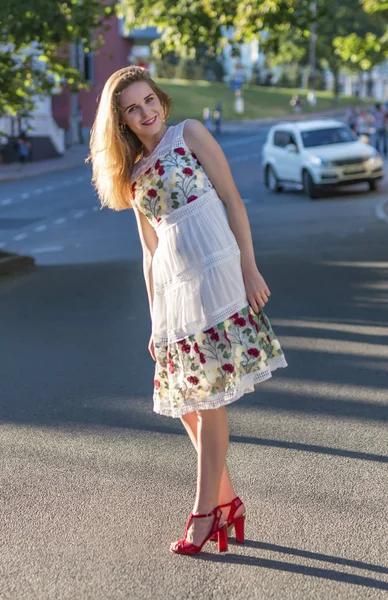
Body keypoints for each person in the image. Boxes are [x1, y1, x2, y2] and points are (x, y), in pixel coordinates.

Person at [89, 66, 287, 556]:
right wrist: (156, 319)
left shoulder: (189, 134)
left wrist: (250, 268)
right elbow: (149, 251)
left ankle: (203, 515)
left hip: (217, 272)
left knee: (207, 401)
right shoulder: (134, 173)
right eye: (133, 108)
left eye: (149, 100)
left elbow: (233, 200)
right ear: (123, 122)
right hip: (175, 291)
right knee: (187, 408)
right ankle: (228, 502)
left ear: (161, 98)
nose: (146, 112)